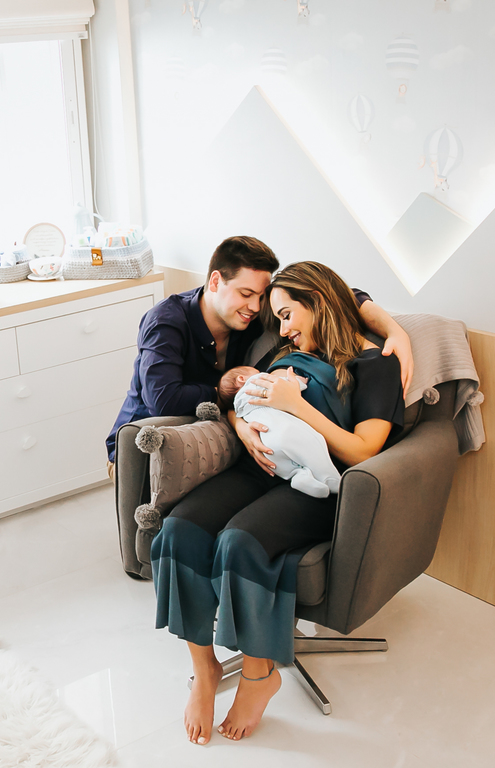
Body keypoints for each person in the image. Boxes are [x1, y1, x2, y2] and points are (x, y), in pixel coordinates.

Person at [150, 261, 407, 746]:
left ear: (318, 303)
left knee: (239, 542)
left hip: (318, 484)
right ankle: (205, 670)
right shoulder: (289, 352)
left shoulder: (375, 365)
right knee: (178, 530)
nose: (283, 330)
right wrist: (242, 428)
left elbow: (364, 451)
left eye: (288, 315)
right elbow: (242, 397)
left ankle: (258, 675)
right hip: (258, 465)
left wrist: (298, 405)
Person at [105, 236, 412, 477]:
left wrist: (395, 331)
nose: (255, 306)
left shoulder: (250, 318)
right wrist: (228, 392)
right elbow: (163, 400)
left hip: (214, 425)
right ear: (215, 282)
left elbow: (334, 296)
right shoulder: (166, 322)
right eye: (246, 294)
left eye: (261, 296)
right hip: (142, 438)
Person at [229, 356, 344, 498]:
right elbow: (286, 387)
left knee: (287, 467)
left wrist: (239, 424)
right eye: (257, 371)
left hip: (264, 444)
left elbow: (233, 413)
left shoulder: (238, 404)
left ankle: (298, 476)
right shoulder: (256, 381)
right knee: (313, 445)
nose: (261, 372)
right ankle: (330, 478)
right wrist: (301, 381)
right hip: (285, 432)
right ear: (241, 378)